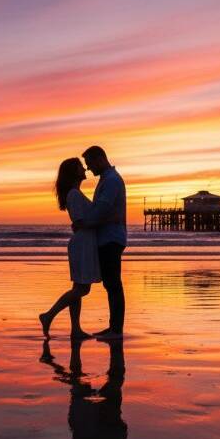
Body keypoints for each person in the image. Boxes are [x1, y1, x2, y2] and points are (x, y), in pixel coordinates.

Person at [39, 158, 101, 340]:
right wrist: (103, 221)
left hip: (84, 242)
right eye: (80, 166)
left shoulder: (75, 193)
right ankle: (48, 315)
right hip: (82, 244)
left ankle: (76, 329)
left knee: (78, 287)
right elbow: (80, 221)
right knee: (82, 289)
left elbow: (80, 221)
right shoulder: (73, 194)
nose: (85, 168)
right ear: (73, 172)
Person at [74, 146, 126, 341]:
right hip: (108, 237)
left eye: (90, 164)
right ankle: (114, 327)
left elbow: (102, 210)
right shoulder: (107, 179)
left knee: (113, 284)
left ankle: (116, 330)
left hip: (111, 238)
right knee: (111, 284)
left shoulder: (111, 180)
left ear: (100, 159)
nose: (89, 169)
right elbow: (101, 209)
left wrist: (83, 224)